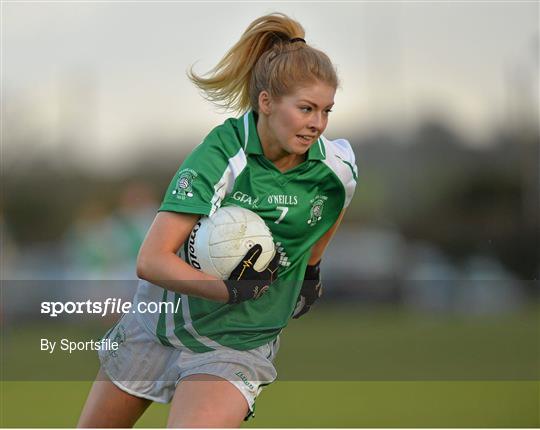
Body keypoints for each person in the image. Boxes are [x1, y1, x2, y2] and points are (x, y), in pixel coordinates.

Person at [78, 12, 357, 428]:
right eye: (305, 109)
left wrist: (312, 267)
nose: (317, 123)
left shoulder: (336, 168)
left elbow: (335, 205)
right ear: (266, 102)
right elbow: (151, 260)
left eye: (325, 110)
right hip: (158, 324)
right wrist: (229, 290)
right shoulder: (222, 154)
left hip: (240, 343)